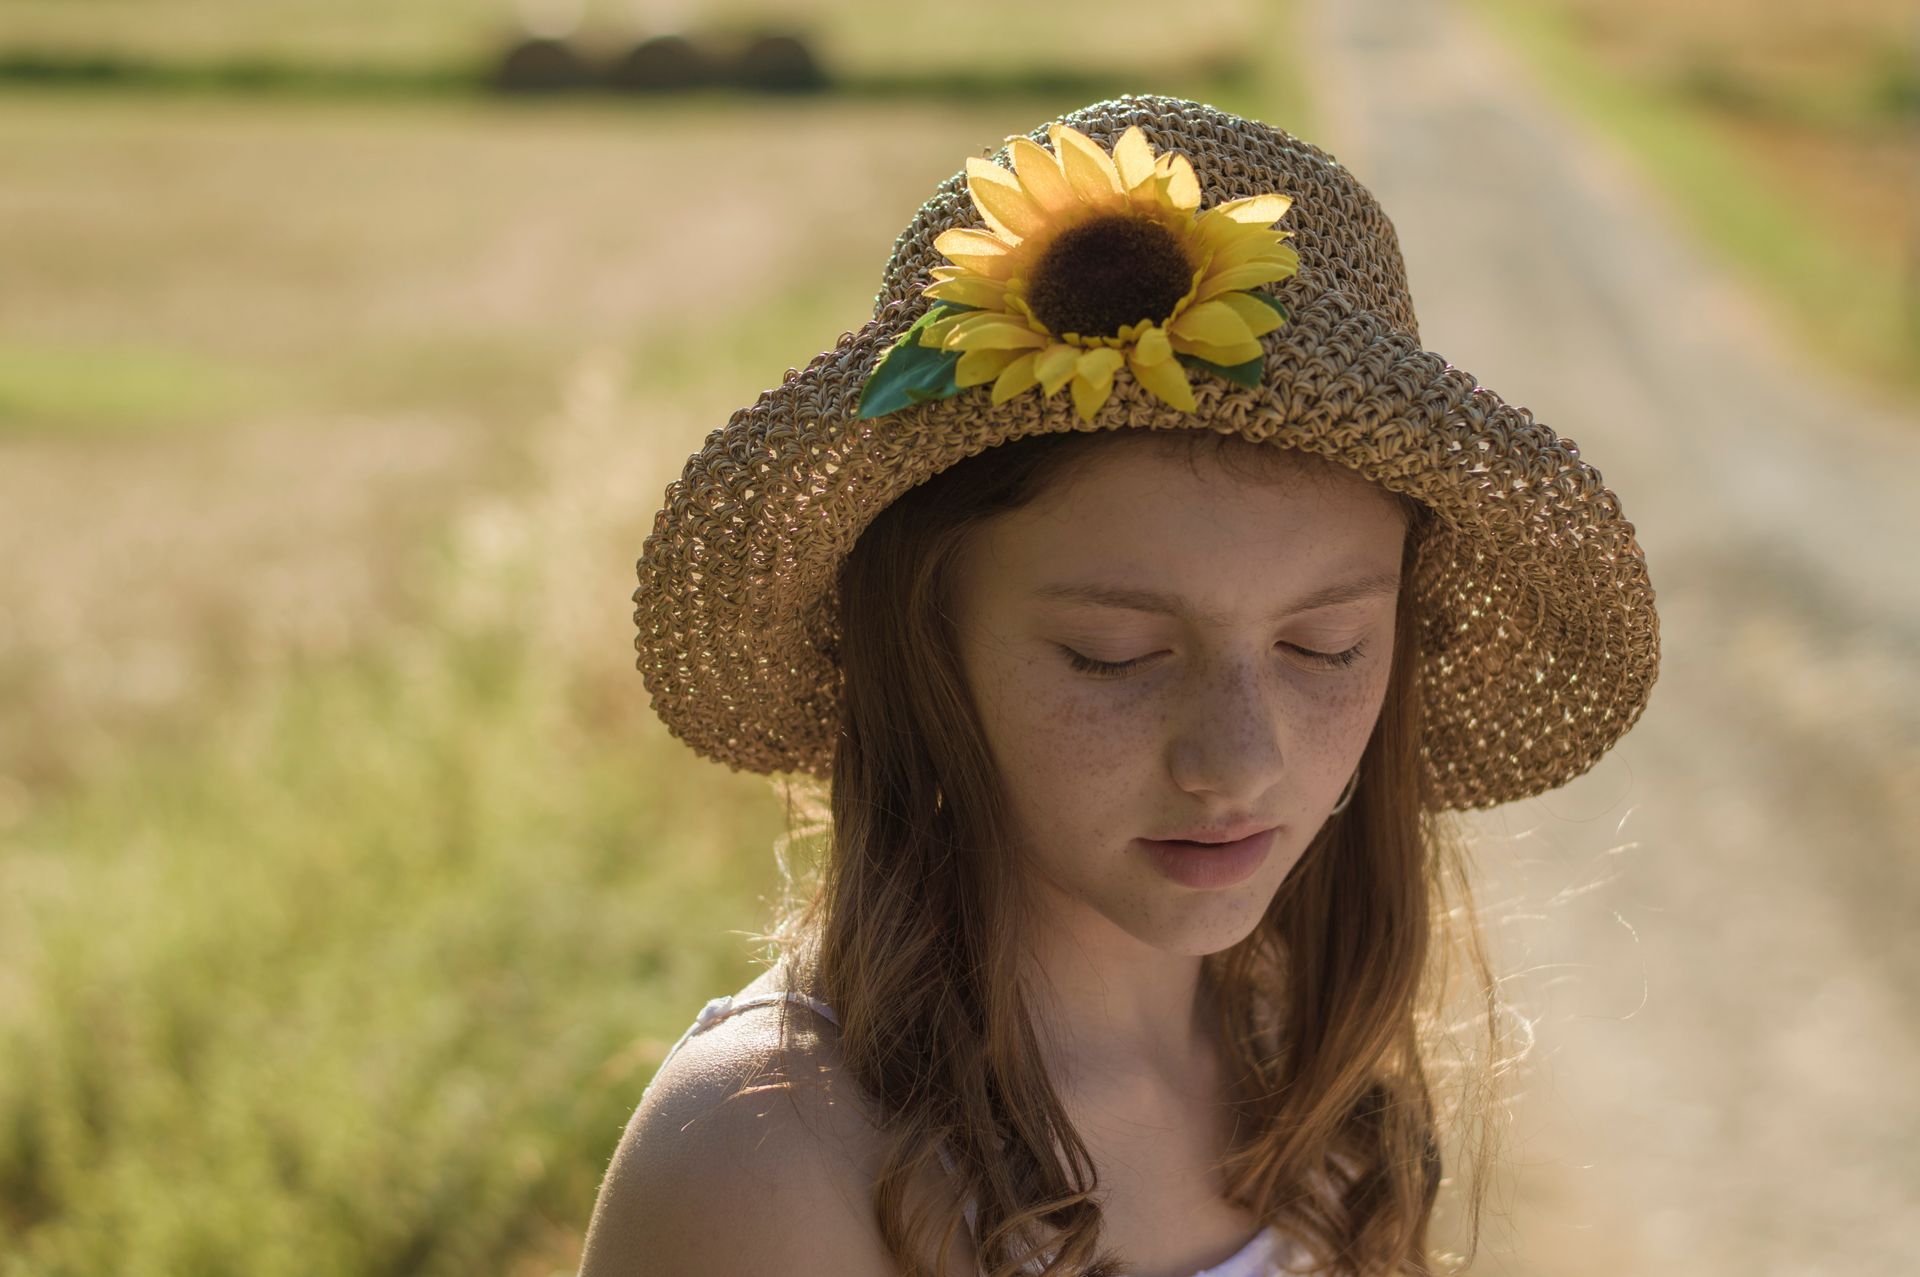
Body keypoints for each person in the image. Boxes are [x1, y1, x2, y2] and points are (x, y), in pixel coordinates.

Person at [577, 93, 1660, 1277]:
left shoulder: (1314, 1081)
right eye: (1114, 655)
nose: (1238, 760)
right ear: (923, 640)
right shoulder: (771, 1157)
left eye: (1326, 646)